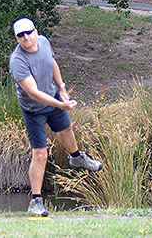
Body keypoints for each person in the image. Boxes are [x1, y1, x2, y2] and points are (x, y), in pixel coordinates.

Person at [8, 17, 103, 217]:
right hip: (34, 109)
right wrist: (60, 104)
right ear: (17, 39)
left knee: (66, 129)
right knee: (40, 153)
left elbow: (52, 63)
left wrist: (62, 88)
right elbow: (33, 93)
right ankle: (35, 202)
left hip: (53, 97)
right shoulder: (17, 61)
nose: (26, 38)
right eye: (21, 35)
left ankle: (77, 158)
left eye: (29, 32)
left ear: (35, 31)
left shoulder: (43, 41)